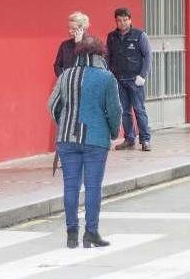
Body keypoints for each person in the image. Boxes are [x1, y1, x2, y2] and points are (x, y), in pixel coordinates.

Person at [48, 36, 121, 249]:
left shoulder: (65, 75)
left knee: (70, 186)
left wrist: (63, 122)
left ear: (78, 54)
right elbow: (114, 110)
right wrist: (113, 132)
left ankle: (71, 235)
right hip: (95, 139)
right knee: (92, 187)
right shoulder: (107, 78)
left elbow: (52, 104)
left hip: (66, 139)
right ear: (100, 55)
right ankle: (91, 233)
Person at [107, 8, 153, 151]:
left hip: (135, 79)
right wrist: (109, 74)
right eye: (119, 20)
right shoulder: (111, 37)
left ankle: (145, 140)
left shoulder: (139, 35)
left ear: (130, 20)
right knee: (124, 111)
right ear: (116, 21)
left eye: (125, 20)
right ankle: (129, 138)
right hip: (118, 79)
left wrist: (143, 75)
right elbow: (108, 56)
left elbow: (148, 56)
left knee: (139, 109)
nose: (122, 23)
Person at [53, 11, 90, 77]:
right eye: (69, 28)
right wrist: (63, 78)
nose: (69, 31)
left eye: (73, 28)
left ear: (82, 29)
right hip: (68, 83)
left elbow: (86, 63)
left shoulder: (91, 45)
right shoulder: (65, 45)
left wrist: (79, 43)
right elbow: (57, 65)